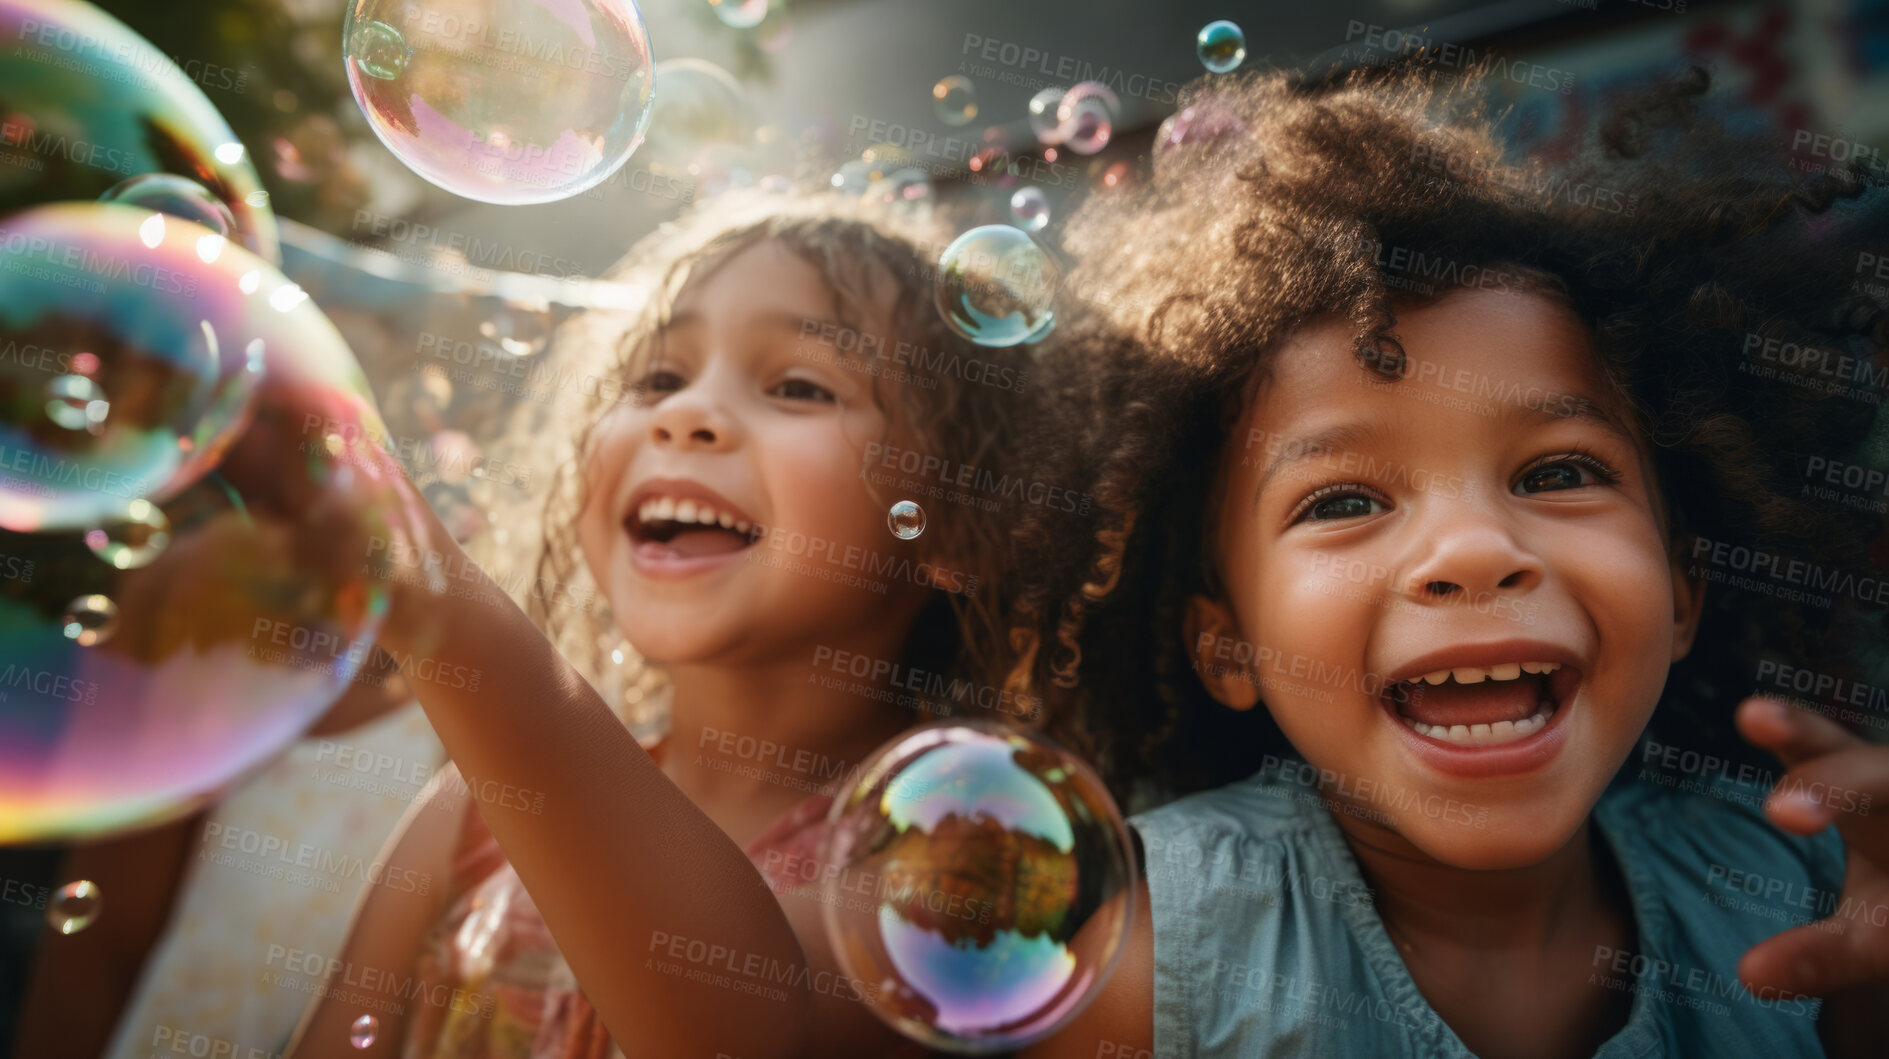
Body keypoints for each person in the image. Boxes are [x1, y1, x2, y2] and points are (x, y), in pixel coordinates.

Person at [1007, 66, 1889, 1057]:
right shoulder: (1144, 951)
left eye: (1556, 473)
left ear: (1681, 589)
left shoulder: (1796, 881)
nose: (1473, 550)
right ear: (1229, 649)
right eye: (1342, 501)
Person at [280, 189, 1035, 1059]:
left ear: (957, 519)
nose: (686, 414)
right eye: (658, 379)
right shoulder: (478, 812)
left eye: (798, 385)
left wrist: (438, 604)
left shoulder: (963, 851)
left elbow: (746, 1029)